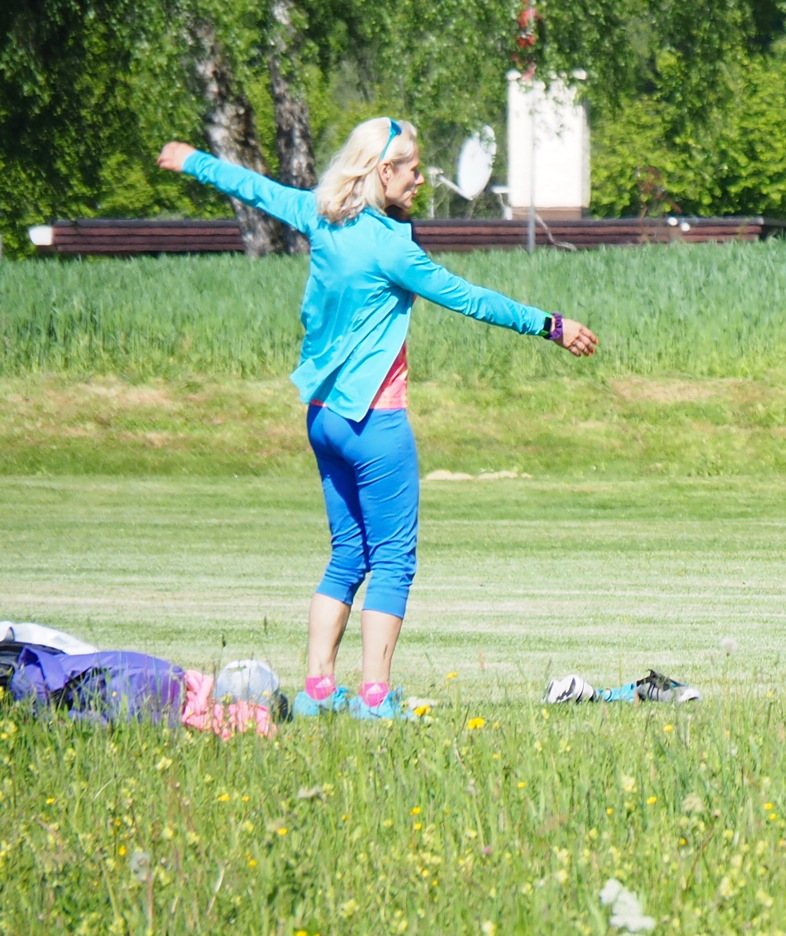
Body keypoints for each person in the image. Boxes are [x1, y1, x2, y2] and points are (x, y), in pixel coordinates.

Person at [158, 121, 598, 721]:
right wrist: (551, 325)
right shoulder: (390, 248)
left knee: (347, 555)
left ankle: (317, 693)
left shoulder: (318, 214)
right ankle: (374, 696)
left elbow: (254, 187)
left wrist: (193, 161)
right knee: (393, 559)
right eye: (412, 168)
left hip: (322, 418)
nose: (420, 179)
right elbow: (469, 299)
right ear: (383, 171)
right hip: (374, 425)